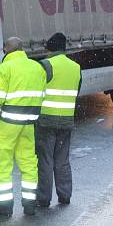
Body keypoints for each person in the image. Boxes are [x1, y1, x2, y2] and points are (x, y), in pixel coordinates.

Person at [0, 37, 47, 217]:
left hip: (8, 122)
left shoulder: (5, 68)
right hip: (28, 121)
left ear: (6, 50)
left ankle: (4, 205)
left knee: (2, 162)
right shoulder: (37, 67)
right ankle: (29, 203)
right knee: (28, 161)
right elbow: (42, 94)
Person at [35, 33, 81, 207]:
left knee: (46, 160)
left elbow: (36, 91)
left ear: (50, 49)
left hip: (46, 120)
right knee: (62, 160)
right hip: (66, 121)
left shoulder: (45, 65)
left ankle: (44, 198)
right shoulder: (75, 67)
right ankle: (65, 195)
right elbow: (75, 93)